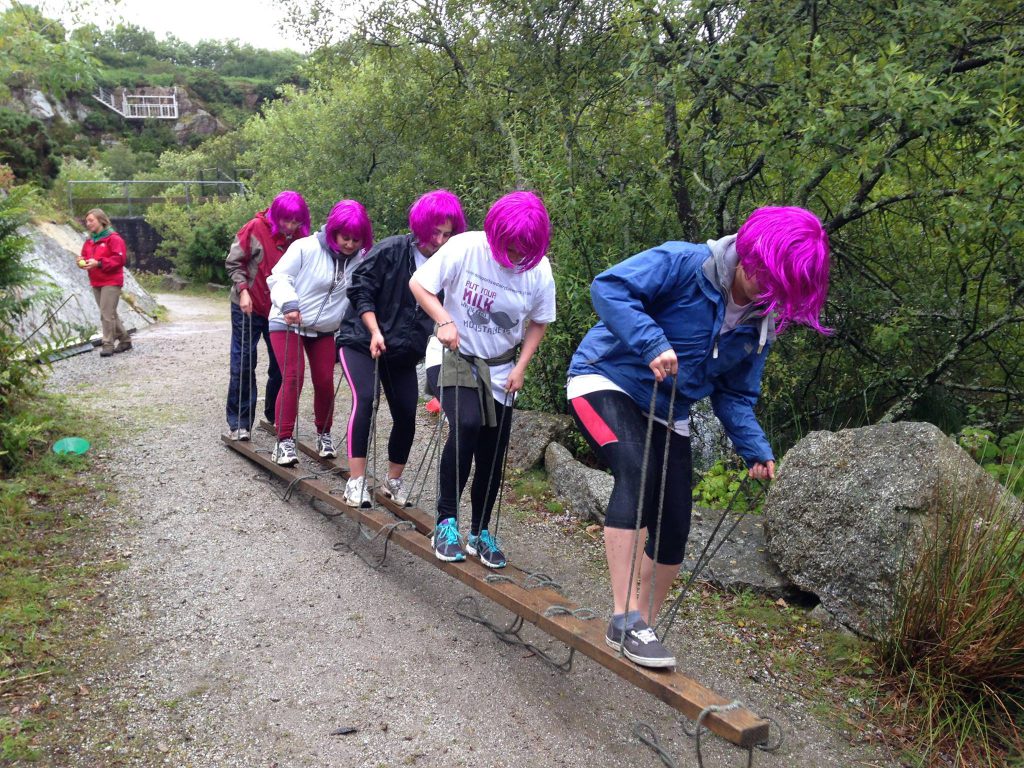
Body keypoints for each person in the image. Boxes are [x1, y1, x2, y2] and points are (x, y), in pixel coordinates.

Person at [567, 206, 830, 669]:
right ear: (751, 254)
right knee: (637, 471)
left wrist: (754, 447)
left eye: (780, 291)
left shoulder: (759, 323)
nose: (769, 295)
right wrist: (652, 343)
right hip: (606, 379)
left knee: (675, 526)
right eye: (766, 280)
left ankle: (639, 629)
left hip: (670, 411)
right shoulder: (684, 263)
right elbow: (608, 288)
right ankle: (624, 616)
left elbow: (734, 394)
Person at [409, 191, 556, 569]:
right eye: (509, 247)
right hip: (454, 355)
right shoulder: (466, 247)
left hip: (501, 368)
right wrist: (444, 320)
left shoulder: (538, 272)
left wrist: (522, 366)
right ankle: (446, 523)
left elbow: (540, 321)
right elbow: (420, 285)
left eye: (523, 251)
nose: (514, 257)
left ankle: (480, 531)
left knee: (493, 450)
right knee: (468, 423)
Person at [336, 189, 467, 509]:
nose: (439, 240)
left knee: (407, 412)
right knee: (366, 399)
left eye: (447, 234)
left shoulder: (449, 262)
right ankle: (356, 481)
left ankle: (392, 481)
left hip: (404, 352)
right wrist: (374, 330)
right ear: (420, 226)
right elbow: (360, 289)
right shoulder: (392, 250)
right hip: (360, 341)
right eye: (434, 232)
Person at [267, 200, 373, 467]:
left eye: (356, 239)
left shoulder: (360, 260)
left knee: (325, 381)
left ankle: (323, 433)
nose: (350, 244)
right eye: (345, 237)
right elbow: (279, 277)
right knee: (293, 377)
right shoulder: (305, 247)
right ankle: (284, 440)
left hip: (324, 329)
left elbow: (363, 292)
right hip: (288, 321)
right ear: (334, 232)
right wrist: (289, 303)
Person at [224, 191, 310, 441]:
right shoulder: (254, 228)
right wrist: (243, 291)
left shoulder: (301, 239)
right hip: (248, 306)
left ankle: (274, 414)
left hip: (280, 310)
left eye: (296, 222)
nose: (290, 226)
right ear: (276, 216)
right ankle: (239, 421)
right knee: (243, 362)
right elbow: (233, 262)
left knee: (281, 366)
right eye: (286, 221)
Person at [79, 208, 131, 357]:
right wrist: (81, 262)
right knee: (110, 313)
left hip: (111, 281)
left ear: (101, 220)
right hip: (96, 281)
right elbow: (84, 256)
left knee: (106, 314)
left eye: (91, 220)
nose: (88, 224)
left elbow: (120, 259)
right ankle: (125, 340)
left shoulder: (114, 239)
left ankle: (107, 344)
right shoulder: (89, 241)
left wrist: (99, 263)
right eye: (87, 221)